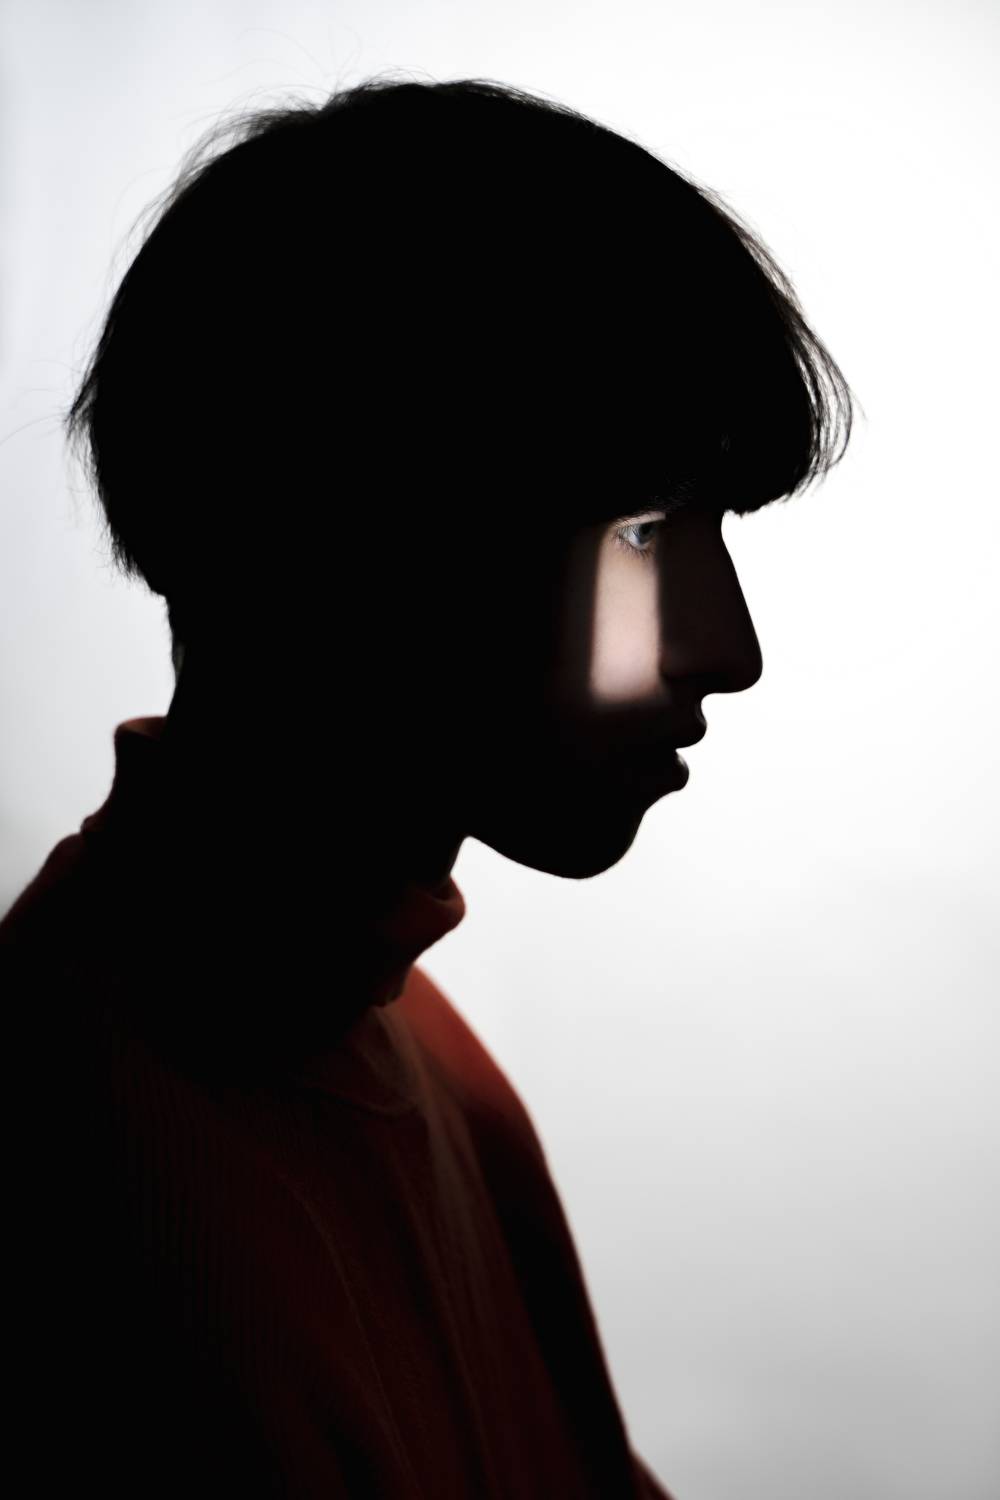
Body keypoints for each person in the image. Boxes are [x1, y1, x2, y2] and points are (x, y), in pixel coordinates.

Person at [1, 76, 855, 1496]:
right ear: (366, 523)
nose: (730, 650)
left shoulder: (411, 1050)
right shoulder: (92, 1204)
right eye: (646, 535)